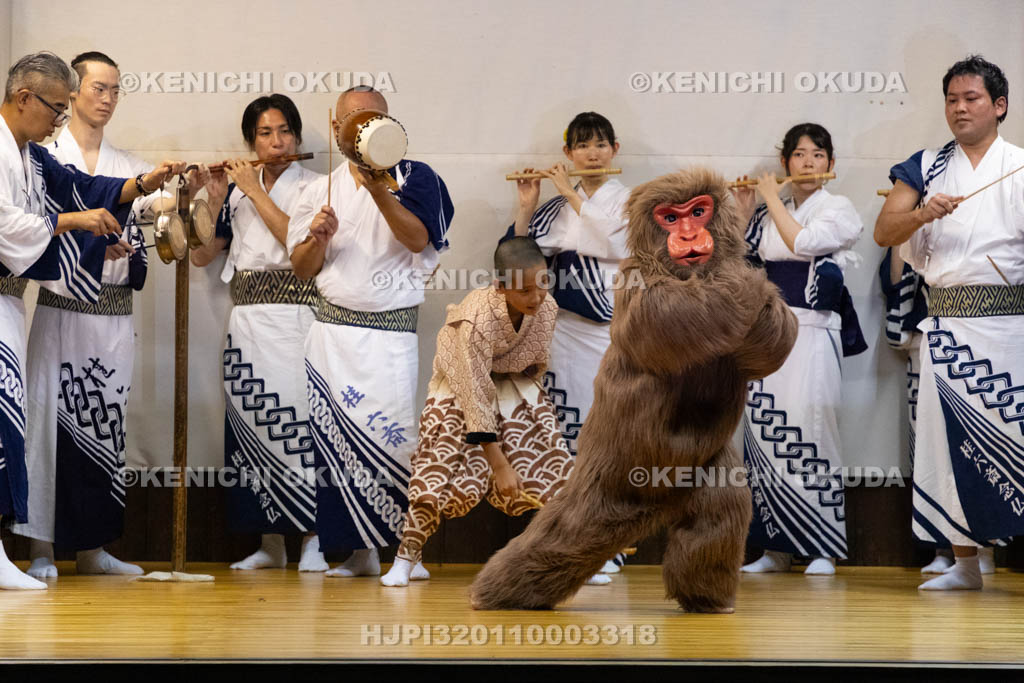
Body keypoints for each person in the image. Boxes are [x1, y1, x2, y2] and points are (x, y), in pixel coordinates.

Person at [0, 51, 183, 589]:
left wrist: (144, 182)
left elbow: (87, 190)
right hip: (40, 310)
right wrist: (75, 225)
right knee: (19, 426)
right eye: (57, 107)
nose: (60, 119)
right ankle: (31, 547)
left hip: (17, 303)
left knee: (25, 423)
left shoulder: (31, 156)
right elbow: (9, 223)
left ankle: (91, 545)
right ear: (24, 97)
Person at [288, 87, 453, 577]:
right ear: (337, 130)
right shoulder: (318, 190)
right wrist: (317, 238)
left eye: (372, 119)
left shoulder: (417, 177)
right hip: (330, 334)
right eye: (351, 121)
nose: (360, 128)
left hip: (388, 337)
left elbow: (419, 238)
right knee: (334, 446)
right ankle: (359, 553)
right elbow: (301, 268)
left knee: (395, 440)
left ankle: (409, 553)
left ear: (389, 124)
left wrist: (379, 189)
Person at [875, 55, 1021, 591]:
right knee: (949, 443)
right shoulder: (925, 166)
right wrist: (922, 213)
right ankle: (964, 565)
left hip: (1014, 326)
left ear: (999, 105)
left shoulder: (1020, 166)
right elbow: (885, 231)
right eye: (952, 99)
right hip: (950, 325)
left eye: (972, 98)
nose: (959, 108)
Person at [381, 237, 575, 586]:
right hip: (459, 386)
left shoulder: (547, 308)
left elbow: (537, 364)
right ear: (500, 287)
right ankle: (407, 556)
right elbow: (473, 391)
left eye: (542, 285)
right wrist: (499, 463)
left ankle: (572, 554)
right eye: (525, 290)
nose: (537, 297)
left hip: (513, 382)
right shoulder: (474, 318)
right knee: (437, 469)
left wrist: (527, 409)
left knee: (553, 459)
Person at [191, 94, 327, 572]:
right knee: (253, 427)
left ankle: (314, 539)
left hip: (297, 320)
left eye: (284, 131)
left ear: (298, 136)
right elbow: (203, 256)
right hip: (246, 321)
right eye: (265, 134)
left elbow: (300, 246)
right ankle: (268, 543)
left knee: (300, 427)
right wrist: (209, 197)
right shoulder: (234, 194)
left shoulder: (317, 187)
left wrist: (253, 191)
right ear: (251, 141)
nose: (276, 142)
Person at [732, 123, 866, 576]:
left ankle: (822, 547)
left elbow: (804, 243)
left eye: (817, 154)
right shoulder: (773, 209)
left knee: (813, 427)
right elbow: (740, 264)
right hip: (767, 333)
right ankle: (773, 548)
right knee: (763, 433)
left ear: (831, 162)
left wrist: (770, 201)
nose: (808, 163)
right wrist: (745, 211)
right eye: (799, 155)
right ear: (785, 162)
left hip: (811, 331)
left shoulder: (840, 209)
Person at [505, 111, 630, 574]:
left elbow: (621, 244)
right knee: (560, 436)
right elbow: (518, 258)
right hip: (562, 333)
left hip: (610, 335)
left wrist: (567, 195)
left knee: (605, 438)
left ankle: (607, 546)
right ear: (568, 154)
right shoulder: (554, 207)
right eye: (582, 146)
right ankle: (564, 541)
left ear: (615, 150)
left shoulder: (631, 200)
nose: (592, 153)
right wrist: (526, 205)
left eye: (600, 144)